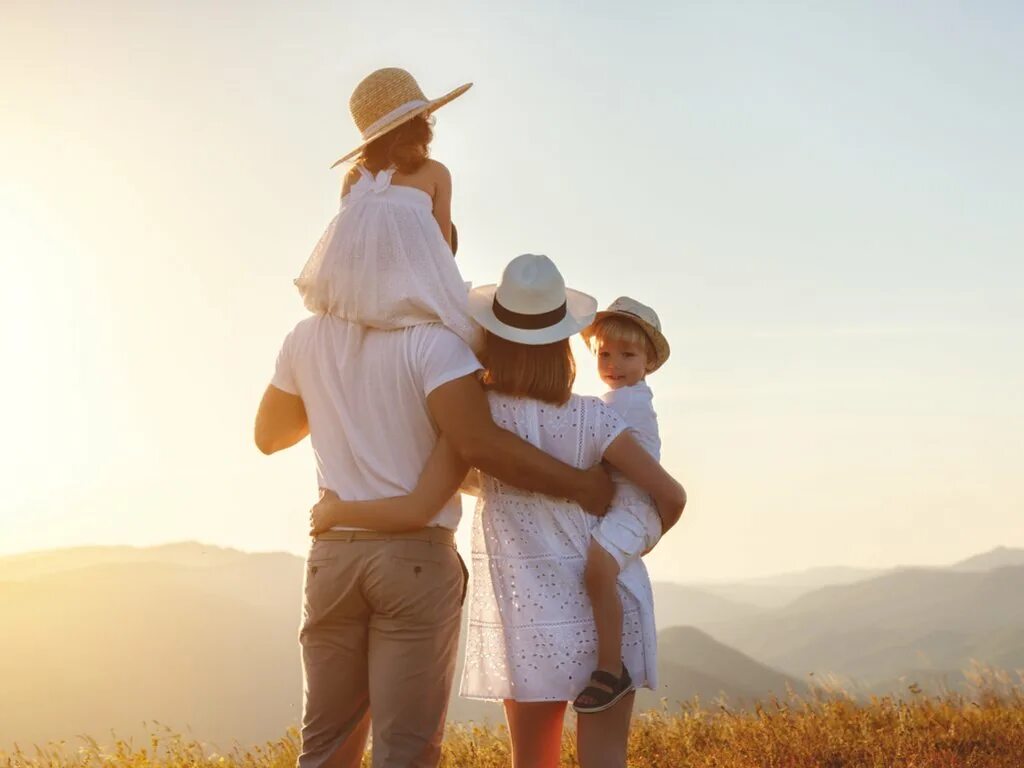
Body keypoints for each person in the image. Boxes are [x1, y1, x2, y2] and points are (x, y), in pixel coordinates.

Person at [255, 71, 615, 768]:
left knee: (324, 747)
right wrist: (582, 485)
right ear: (432, 221)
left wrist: (336, 396)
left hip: (332, 555)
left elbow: (270, 436)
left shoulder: (306, 340)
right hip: (413, 559)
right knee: (405, 750)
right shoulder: (436, 343)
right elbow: (480, 443)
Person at [311, 254, 686, 768]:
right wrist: (622, 543)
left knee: (533, 761)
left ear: (491, 337)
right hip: (605, 612)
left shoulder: (476, 422)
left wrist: (339, 508)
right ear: (564, 342)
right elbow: (669, 496)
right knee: (606, 761)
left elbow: (424, 501)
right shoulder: (595, 418)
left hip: (529, 614)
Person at [294, 66, 480, 351]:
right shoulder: (436, 173)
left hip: (358, 300)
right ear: (418, 123)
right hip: (416, 295)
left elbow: (354, 247)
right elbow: (441, 254)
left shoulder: (353, 178)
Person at [572, 297, 672, 714]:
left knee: (598, 568)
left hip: (634, 507)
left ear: (648, 361)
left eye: (627, 355)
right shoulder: (630, 397)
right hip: (628, 505)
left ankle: (611, 668)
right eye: (604, 354)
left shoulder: (618, 404)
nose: (613, 364)